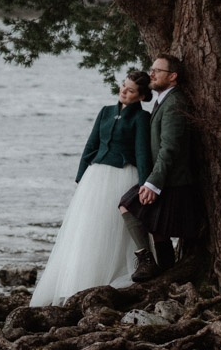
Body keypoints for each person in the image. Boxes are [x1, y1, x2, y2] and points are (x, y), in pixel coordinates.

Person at [29, 71, 153, 306]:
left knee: (113, 227)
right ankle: (82, 279)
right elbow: (91, 143)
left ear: (142, 96)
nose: (124, 92)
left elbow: (142, 152)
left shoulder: (141, 118)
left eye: (130, 90)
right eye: (123, 86)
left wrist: (146, 184)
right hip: (95, 175)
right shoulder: (105, 111)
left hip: (123, 173)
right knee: (88, 227)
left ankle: (127, 269)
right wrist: (81, 175)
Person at [119, 54, 203, 282]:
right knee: (158, 229)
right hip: (167, 179)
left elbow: (170, 148)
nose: (151, 74)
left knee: (128, 205)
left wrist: (153, 183)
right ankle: (165, 271)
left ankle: (147, 262)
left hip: (173, 182)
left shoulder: (175, 102)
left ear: (173, 76)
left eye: (157, 70)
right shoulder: (165, 99)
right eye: (151, 69)